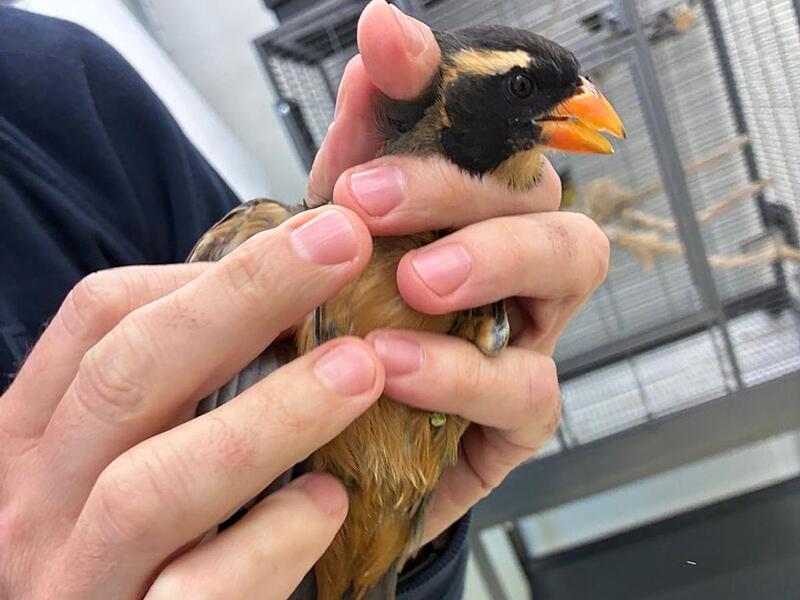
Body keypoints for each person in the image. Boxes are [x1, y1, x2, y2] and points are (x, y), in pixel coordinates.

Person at [0, 1, 610, 598]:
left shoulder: (51, 82)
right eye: (521, 88)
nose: (587, 106)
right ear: (454, 100)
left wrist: (423, 551)